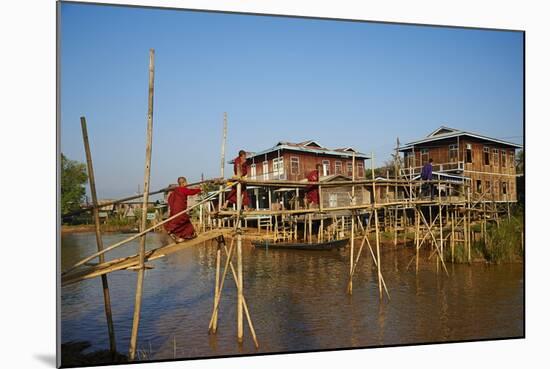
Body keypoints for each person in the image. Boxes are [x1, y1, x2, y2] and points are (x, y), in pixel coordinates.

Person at [165, 176, 202, 242]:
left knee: (175, 223)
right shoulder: (182, 189)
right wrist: (199, 189)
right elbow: (191, 192)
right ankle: (187, 236)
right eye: (186, 182)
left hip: (174, 211)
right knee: (186, 222)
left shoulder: (175, 191)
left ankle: (176, 236)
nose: (187, 184)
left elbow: (170, 199)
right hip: (180, 211)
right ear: (184, 183)